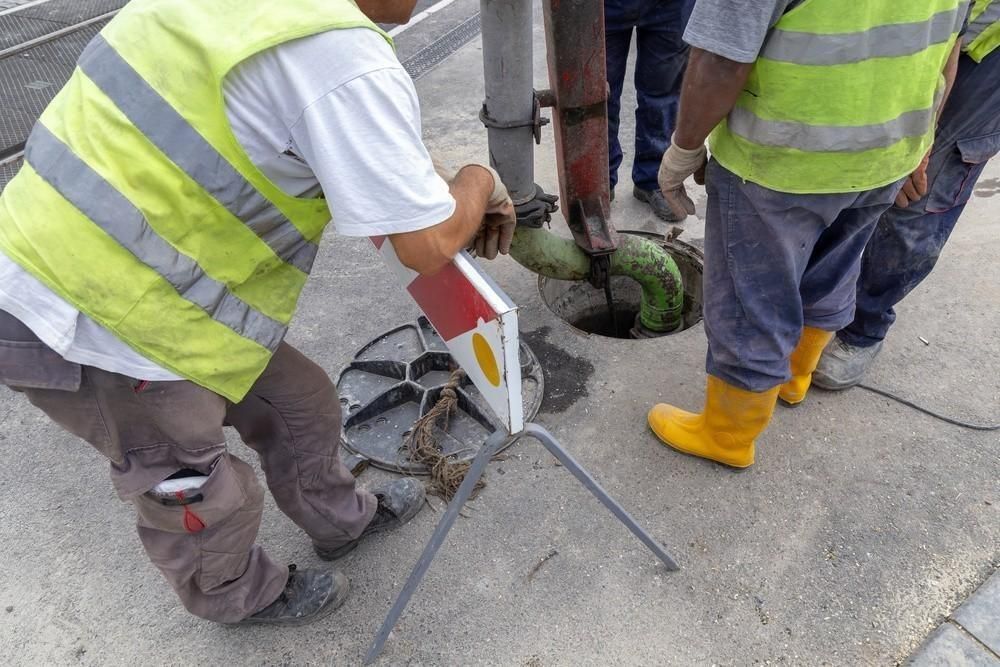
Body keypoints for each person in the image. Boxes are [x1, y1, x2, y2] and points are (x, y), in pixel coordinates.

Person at [0, 0, 515, 626]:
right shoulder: (337, 57)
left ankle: (337, 518)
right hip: (84, 315)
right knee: (191, 485)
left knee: (302, 404)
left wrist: (427, 179)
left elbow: (338, 136)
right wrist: (478, 180)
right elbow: (427, 246)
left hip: (151, 281)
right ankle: (237, 595)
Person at [645, 0, 967, 468]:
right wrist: (924, 140)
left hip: (781, 163)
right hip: (885, 154)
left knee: (751, 300)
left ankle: (727, 435)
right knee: (834, 269)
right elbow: (949, 46)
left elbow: (720, 61)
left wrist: (684, 148)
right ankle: (793, 379)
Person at [814, 1, 1000, 390]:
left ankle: (863, 326)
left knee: (919, 194)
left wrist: (920, 140)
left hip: (987, 50)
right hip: (910, 19)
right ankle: (814, 308)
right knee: (849, 157)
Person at [605, 0, 689, 220]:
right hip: (601, 6)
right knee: (597, 96)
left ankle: (654, 178)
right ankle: (598, 182)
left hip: (672, 6)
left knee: (663, 94)